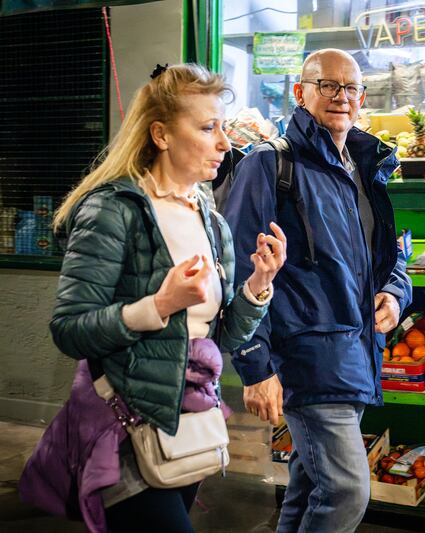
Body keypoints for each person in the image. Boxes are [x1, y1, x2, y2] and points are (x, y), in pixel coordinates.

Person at [18, 63, 286, 533]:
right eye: (207, 127)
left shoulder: (211, 220)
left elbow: (220, 334)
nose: (225, 142)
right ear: (160, 134)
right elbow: (69, 330)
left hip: (185, 426)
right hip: (123, 428)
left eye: (223, 127)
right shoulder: (113, 210)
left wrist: (258, 286)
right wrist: (158, 305)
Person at [224, 49, 412, 532]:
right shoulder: (269, 166)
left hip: (357, 352)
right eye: (327, 85)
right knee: (348, 490)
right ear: (300, 92)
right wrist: (255, 366)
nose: (340, 97)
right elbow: (240, 268)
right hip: (306, 357)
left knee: (309, 488)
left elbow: (388, 255)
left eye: (350, 88)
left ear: (362, 97)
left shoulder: (363, 170)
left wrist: (394, 291)